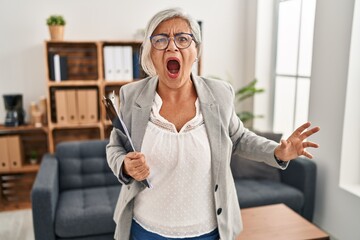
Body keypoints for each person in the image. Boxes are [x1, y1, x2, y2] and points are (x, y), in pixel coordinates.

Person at [106, 7, 320, 240]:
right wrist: (125, 166)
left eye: (182, 38)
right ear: (150, 52)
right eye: (160, 39)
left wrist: (277, 151)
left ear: (196, 50)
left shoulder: (219, 93)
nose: (171, 46)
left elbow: (239, 138)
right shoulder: (131, 95)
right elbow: (115, 147)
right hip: (146, 229)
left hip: (207, 230)